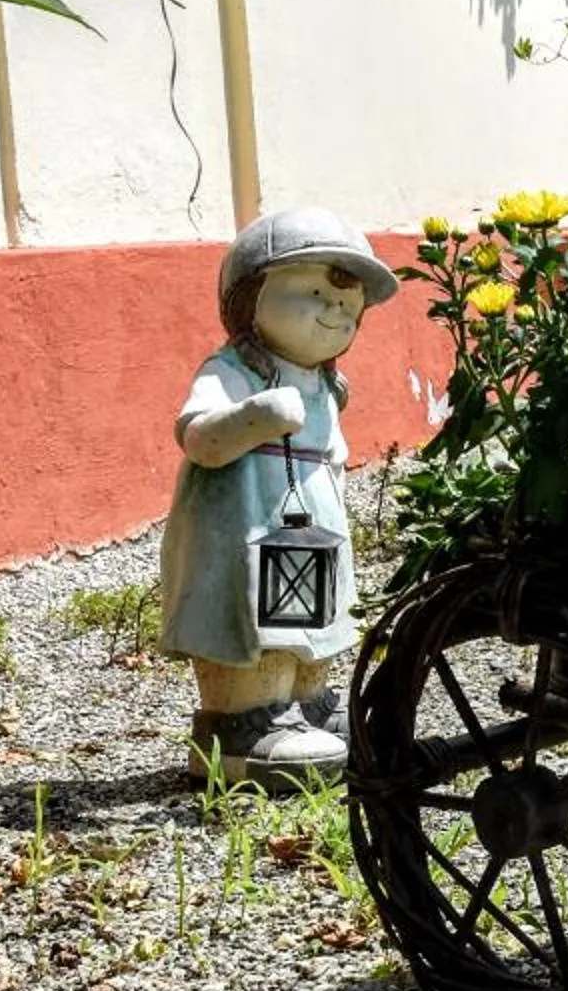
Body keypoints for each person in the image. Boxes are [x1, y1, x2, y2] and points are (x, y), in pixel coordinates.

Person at [158, 209, 397, 786]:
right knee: (253, 617)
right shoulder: (234, 370)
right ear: (250, 297)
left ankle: (308, 704)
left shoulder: (322, 384)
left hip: (310, 526)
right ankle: (242, 723)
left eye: (347, 304)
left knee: (315, 617)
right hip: (245, 520)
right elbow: (199, 437)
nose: (335, 311)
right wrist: (256, 417)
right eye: (314, 291)